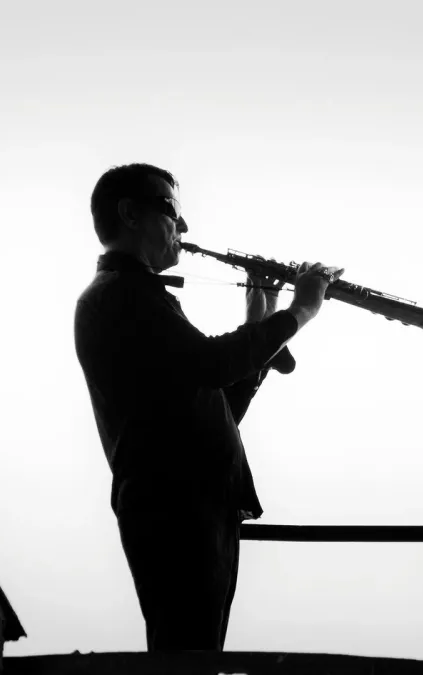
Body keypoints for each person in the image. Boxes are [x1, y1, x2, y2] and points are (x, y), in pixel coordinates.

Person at [73, 163, 341, 652]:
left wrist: (259, 315)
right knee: (187, 661)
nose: (184, 225)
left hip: (195, 509)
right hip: (175, 513)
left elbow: (212, 408)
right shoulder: (122, 295)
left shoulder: (134, 295)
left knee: (196, 658)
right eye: (171, 209)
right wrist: (301, 311)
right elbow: (212, 364)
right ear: (130, 214)